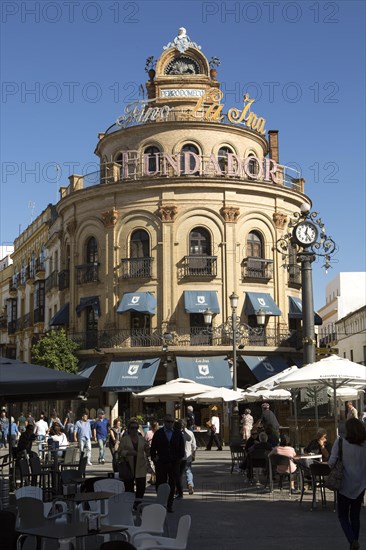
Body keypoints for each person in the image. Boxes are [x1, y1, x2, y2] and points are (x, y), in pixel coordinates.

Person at [329, 418, 366, 550]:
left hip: (344, 482)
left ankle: (352, 540)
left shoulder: (340, 442)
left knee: (342, 515)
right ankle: (354, 539)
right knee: (355, 515)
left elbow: (331, 462)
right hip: (361, 483)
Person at [150, 414, 185, 513]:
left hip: (174, 463)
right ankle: (161, 502)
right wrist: (155, 459)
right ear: (164, 422)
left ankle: (169, 504)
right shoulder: (159, 433)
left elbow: (181, 449)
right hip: (161, 463)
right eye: (168, 422)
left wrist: (178, 460)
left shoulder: (178, 433)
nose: (170, 424)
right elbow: (153, 448)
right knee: (161, 483)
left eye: (172, 422)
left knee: (172, 483)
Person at [117, 418, 150, 504]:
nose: (134, 430)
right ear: (128, 429)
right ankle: (130, 504)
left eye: (136, 428)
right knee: (129, 488)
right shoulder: (124, 439)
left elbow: (148, 451)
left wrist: (148, 450)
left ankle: (138, 504)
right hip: (128, 467)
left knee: (141, 487)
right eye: (132, 428)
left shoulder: (142, 439)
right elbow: (119, 452)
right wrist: (128, 453)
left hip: (140, 466)